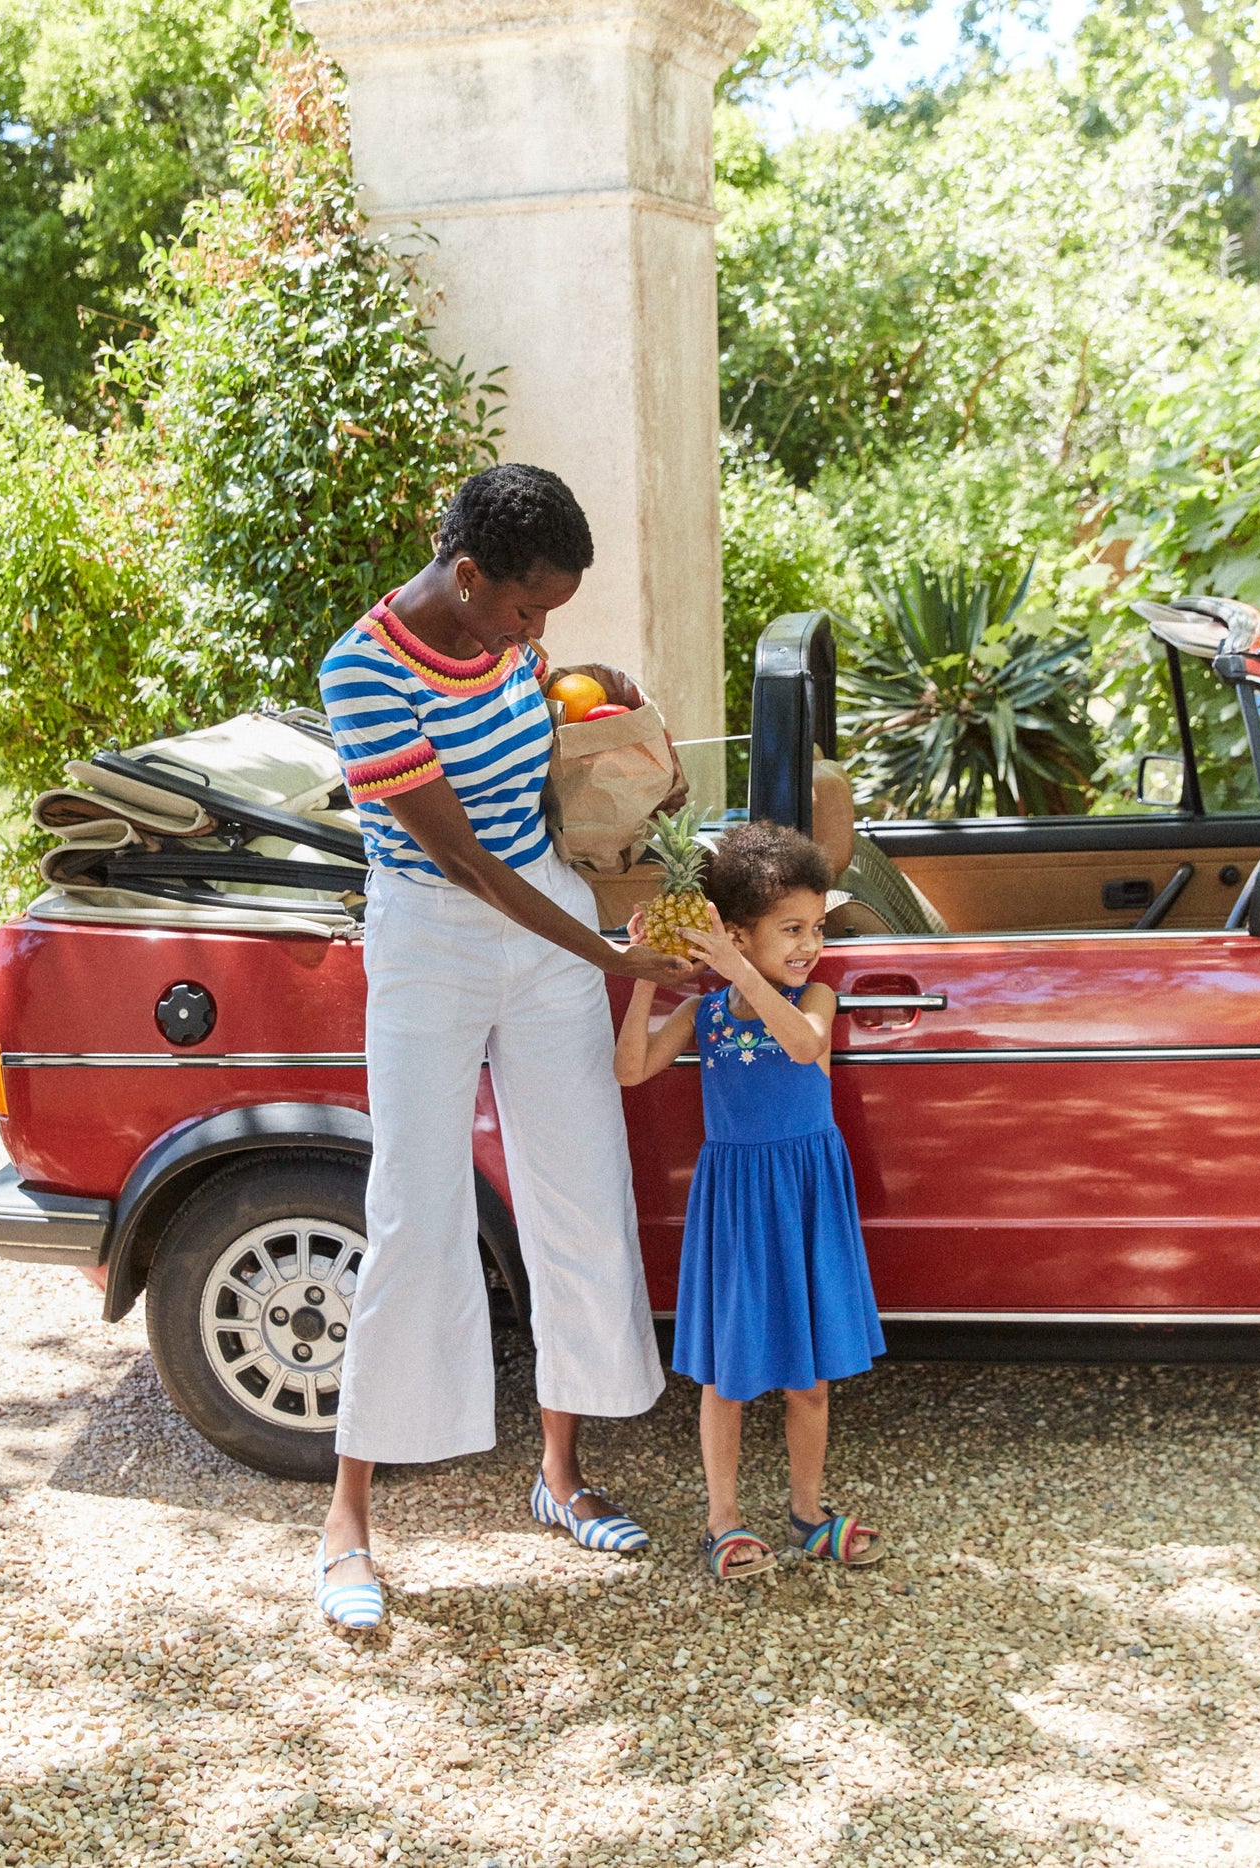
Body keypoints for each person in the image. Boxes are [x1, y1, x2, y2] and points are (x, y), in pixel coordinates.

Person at [314, 463, 690, 1631]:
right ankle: (346, 1523)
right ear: (467, 572)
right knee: (414, 1210)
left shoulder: (507, 643)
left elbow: (535, 750)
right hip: (435, 929)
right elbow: (467, 859)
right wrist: (611, 959)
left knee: (577, 1186)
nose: (537, 630)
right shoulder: (364, 669)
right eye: (530, 607)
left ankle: (560, 1476)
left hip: (541, 905)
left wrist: (589, 687)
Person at [613, 822, 887, 1582]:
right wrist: (645, 975)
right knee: (727, 1376)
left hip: (802, 1190)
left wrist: (739, 964)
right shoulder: (704, 1014)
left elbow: (802, 1045)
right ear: (737, 931)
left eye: (816, 928)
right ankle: (722, 1520)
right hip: (736, 1197)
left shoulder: (817, 997)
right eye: (790, 929)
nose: (808, 944)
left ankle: (807, 1513)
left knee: (811, 1377)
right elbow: (630, 1070)